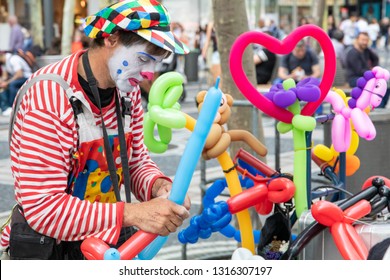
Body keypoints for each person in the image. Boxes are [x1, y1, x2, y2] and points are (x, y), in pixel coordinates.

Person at [0, 0, 191, 260]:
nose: (149, 74)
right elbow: (44, 208)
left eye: (156, 63)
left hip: (105, 240)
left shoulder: (127, 90)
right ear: (111, 38)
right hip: (50, 248)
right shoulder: (48, 97)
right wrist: (134, 214)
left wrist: (159, 188)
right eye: (143, 58)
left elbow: (134, 161)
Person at [344, 31, 389, 108]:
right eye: (363, 40)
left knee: (383, 83)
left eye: (366, 40)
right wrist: (373, 73)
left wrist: (373, 67)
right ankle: (376, 107)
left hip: (365, 77)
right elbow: (359, 70)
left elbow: (375, 58)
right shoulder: (352, 53)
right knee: (375, 84)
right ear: (357, 40)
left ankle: (381, 106)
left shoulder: (366, 51)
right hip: (354, 79)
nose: (365, 42)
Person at [0, 51, 33, 115]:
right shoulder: (4, 63)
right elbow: (5, 76)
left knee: (12, 85)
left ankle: (12, 105)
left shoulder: (13, 59)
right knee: (3, 86)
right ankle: (4, 107)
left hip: (27, 78)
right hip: (18, 79)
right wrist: (2, 82)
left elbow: (19, 74)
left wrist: (6, 83)